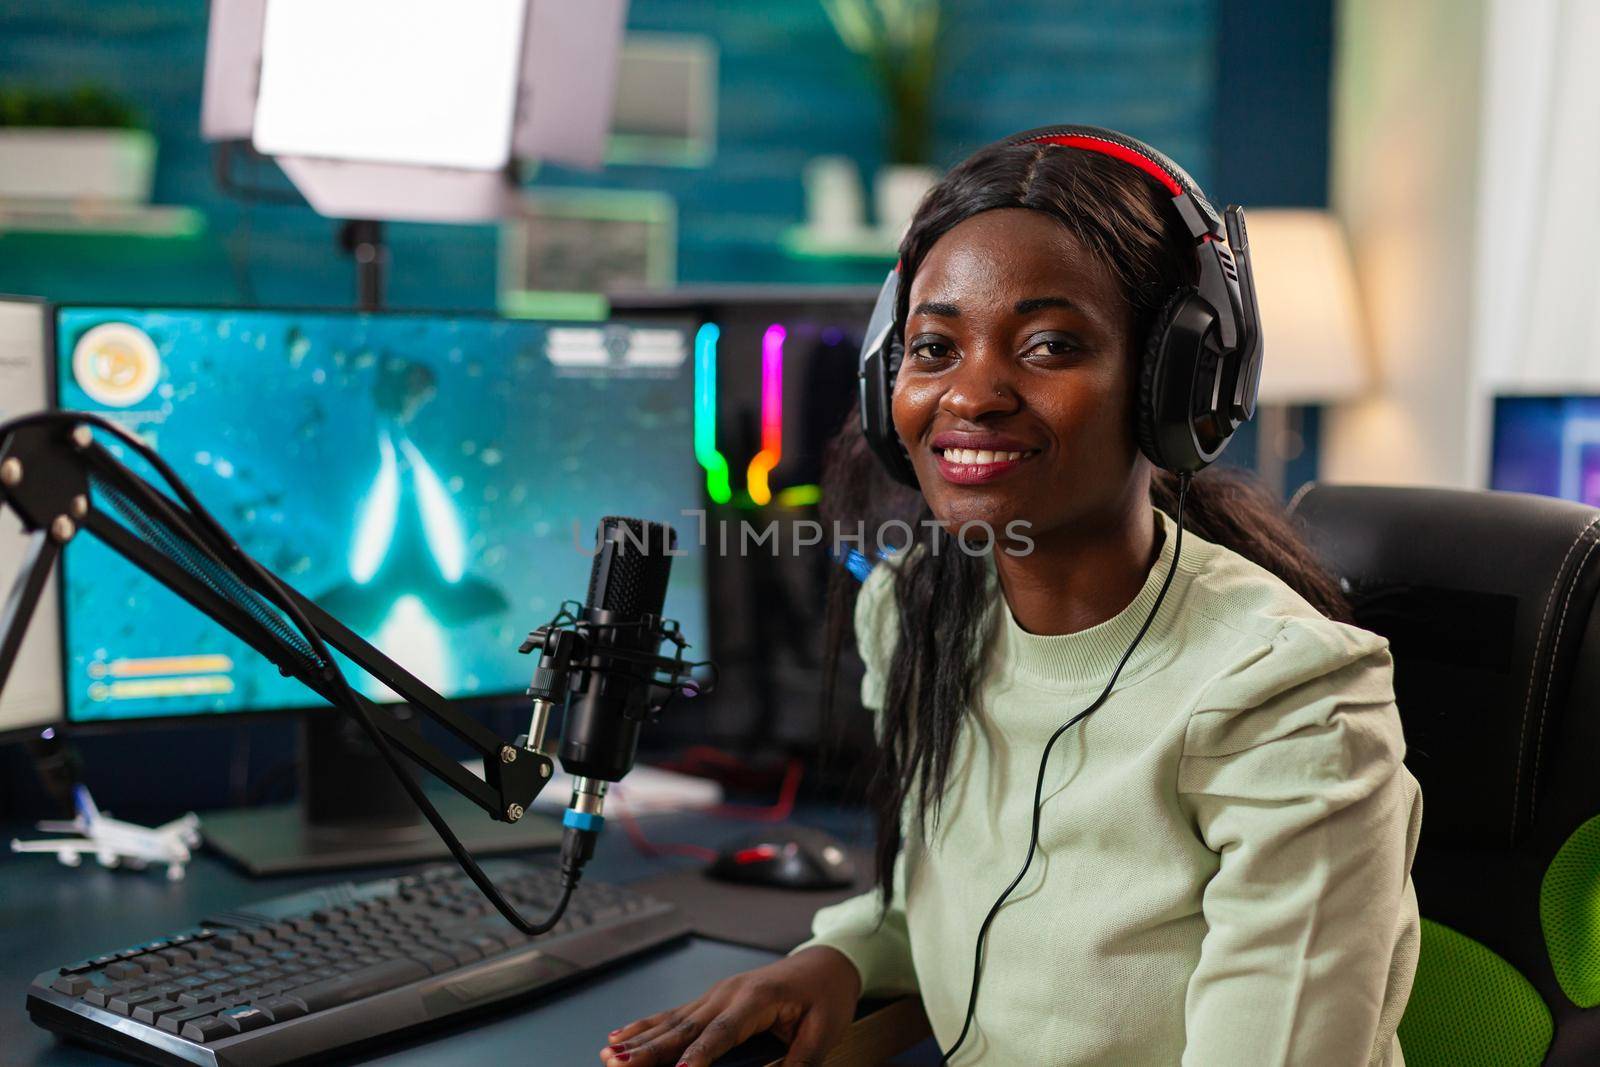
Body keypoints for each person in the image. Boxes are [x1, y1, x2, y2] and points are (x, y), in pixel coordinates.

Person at [600, 130, 1422, 1066]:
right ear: (887, 385)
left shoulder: (1290, 698)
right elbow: (960, 899)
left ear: (1173, 382)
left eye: (1048, 344)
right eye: (934, 346)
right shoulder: (918, 608)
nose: (973, 393)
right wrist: (837, 958)